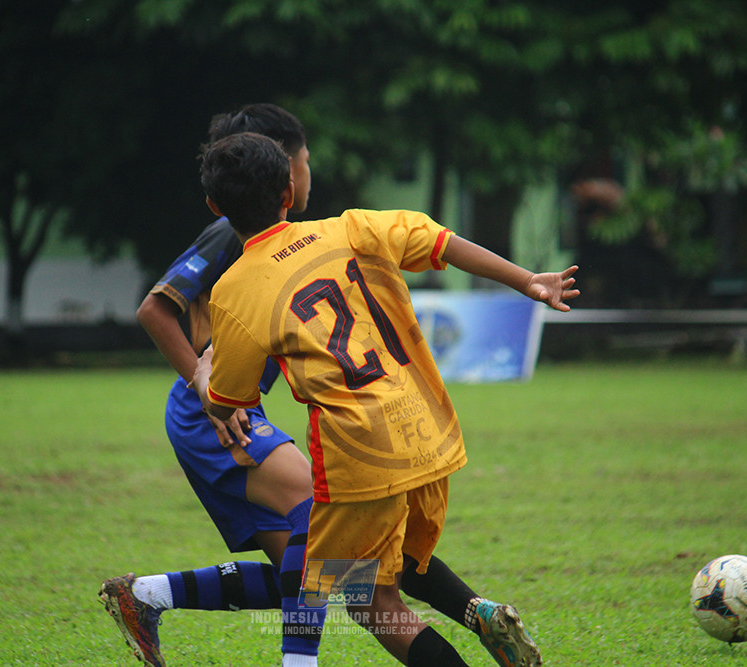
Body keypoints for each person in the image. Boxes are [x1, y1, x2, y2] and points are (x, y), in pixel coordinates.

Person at [192, 132, 580, 667]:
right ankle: (477, 613)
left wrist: (205, 368)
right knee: (388, 570)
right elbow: (439, 241)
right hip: (428, 431)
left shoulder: (232, 291)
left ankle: (171, 601)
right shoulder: (352, 227)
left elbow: (228, 400)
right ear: (288, 190)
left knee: (350, 593)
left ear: (214, 207)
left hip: (357, 454)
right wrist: (527, 280)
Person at [98, 104, 326, 667]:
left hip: (234, 407)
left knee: (314, 572)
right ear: (285, 171)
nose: (307, 173)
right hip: (211, 411)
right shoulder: (229, 232)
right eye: (303, 160)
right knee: (320, 520)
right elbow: (155, 310)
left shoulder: (286, 240)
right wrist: (203, 381)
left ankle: (146, 594)